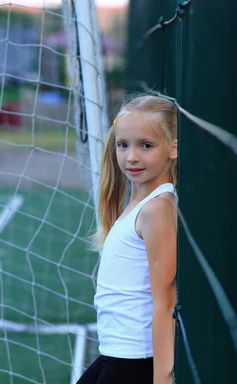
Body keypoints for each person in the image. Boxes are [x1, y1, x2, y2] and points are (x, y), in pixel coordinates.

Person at [77, 95, 178, 384]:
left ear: (173, 148)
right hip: (115, 354)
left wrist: (163, 378)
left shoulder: (157, 209)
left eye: (146, 145)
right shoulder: (139, 204)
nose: (132, 156)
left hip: (135, 361)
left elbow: (166, 302)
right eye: (123, 145)